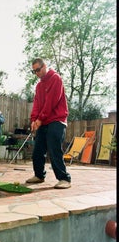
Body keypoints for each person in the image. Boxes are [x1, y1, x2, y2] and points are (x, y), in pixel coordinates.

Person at [26, 58, 71, 189]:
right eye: (34, 71)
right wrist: (34, 119)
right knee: (38, 150)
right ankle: (39, 175)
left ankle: (64, 179)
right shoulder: (39, 86)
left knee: (54, 148)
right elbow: (37, 104)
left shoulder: (56, 79)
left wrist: (40, 119)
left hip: (57, 120)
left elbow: (52, 102)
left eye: (38, 70)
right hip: (43, 121)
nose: (37, 73)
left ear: (44, 66)